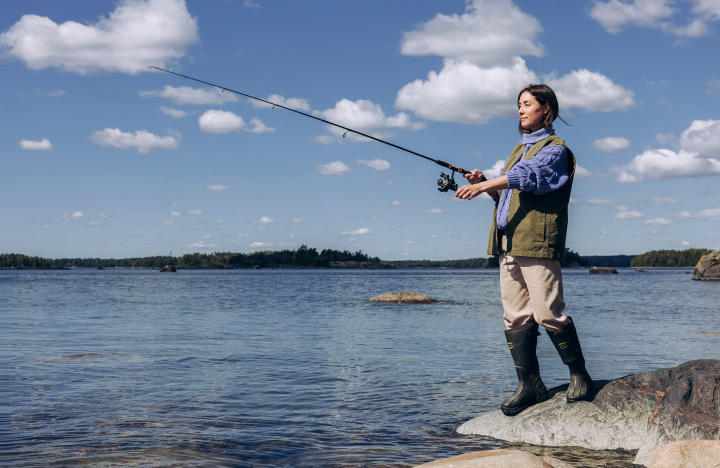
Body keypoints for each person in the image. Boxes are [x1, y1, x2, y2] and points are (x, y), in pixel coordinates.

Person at [455, 84, 593, 416]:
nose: (520, 110)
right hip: (509, 244)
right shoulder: (518, 150)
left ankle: (580, 377)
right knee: (515, 317)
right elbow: (511, 194)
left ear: (546, 109)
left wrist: (486, 183)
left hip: (537, 243)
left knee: (548, 312)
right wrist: (488, 182)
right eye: (519, 105)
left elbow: (530, 177)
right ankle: (530, 385)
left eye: (527, 104)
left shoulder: (555, 149)